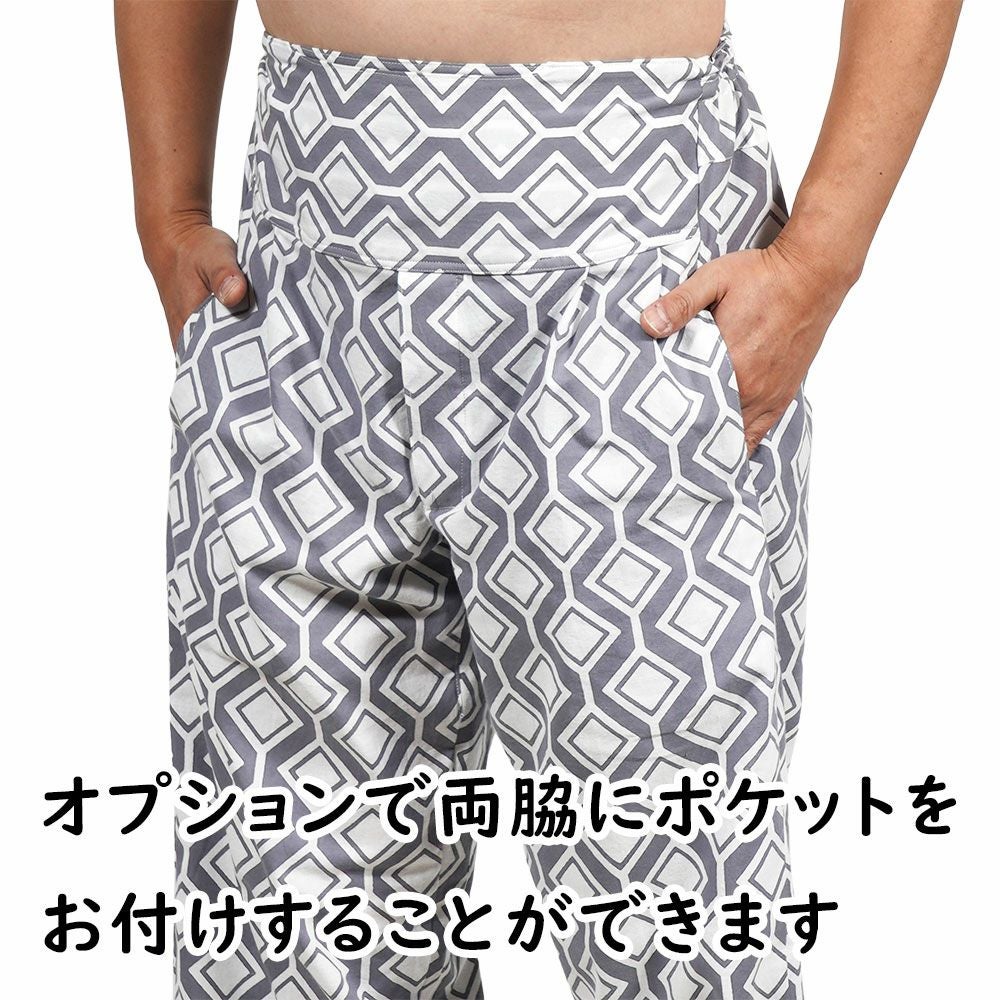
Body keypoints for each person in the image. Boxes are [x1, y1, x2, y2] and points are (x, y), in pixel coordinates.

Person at [115, 2, 961, 998]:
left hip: (629, 278)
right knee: (287, 927)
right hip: (299, 284)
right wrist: (168, 213)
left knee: (667, 913)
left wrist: (820, 257)